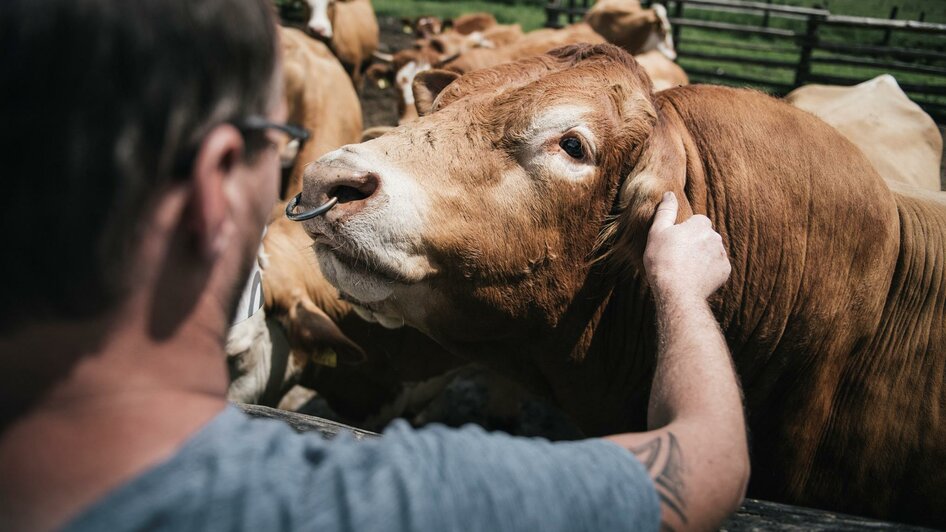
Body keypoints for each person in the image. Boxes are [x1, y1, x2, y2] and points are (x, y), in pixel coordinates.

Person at [0, 1, 748, 530]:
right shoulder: (369, 504)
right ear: (214, 185)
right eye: (279, 139)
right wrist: (681, 295)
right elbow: (708, 465)